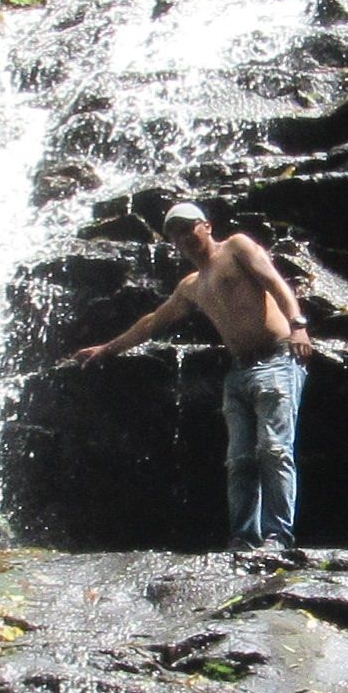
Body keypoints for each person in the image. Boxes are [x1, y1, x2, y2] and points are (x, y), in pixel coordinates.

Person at [66, 201, 317, 553]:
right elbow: (154, 322)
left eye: (188, 228)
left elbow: (275, 282)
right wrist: (107, 349)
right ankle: (243, 539)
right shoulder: (191, 286)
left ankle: (278, 537)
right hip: (239, 370)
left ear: (207, 226)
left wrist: (298, 326)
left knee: (274, 450)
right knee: (240, 459)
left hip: (277, 359)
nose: (184, 237)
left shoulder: (237, 247)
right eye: (176, 234)